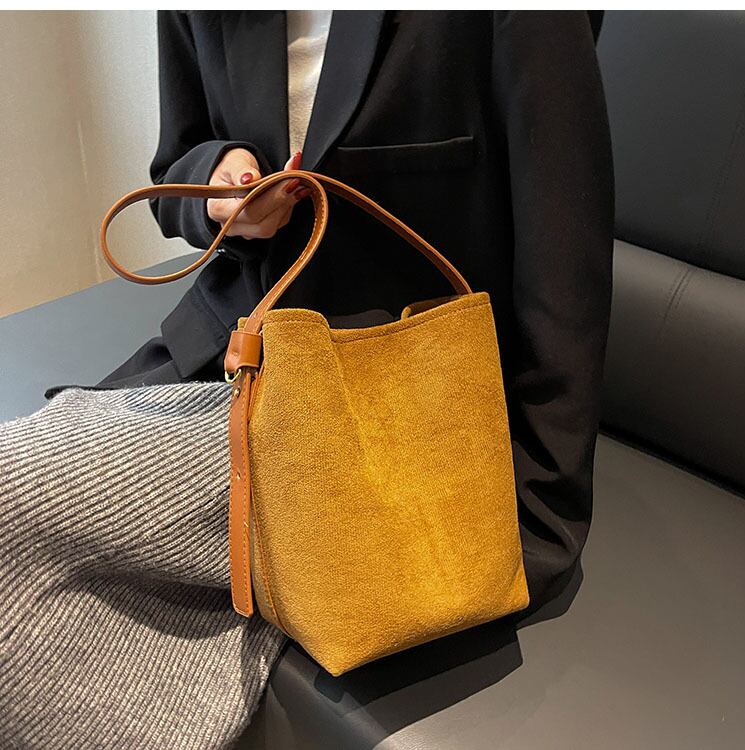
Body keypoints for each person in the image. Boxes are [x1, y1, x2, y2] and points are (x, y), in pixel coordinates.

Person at [1, 11, 613, 749]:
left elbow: (564, 241)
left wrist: (538, 507)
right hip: (228, 354)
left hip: (397, 401)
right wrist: (218, 188)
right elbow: (175, 169)